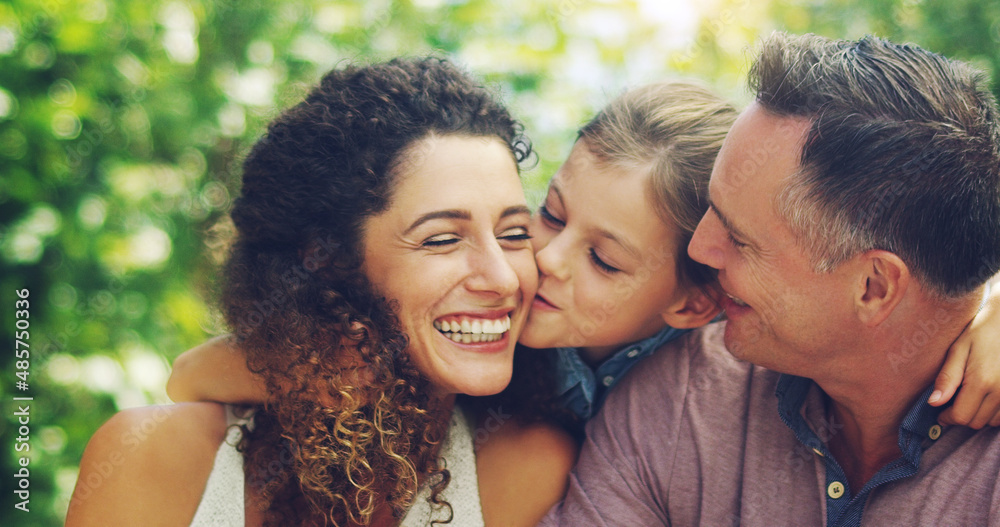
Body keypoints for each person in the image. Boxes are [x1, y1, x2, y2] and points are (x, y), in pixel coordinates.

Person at [65, 57, 577, 527]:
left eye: (514, 234)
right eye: (442, 239)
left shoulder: (526, 469)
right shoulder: (154, 457)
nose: (505, 278)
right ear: (330, 262)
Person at [541, 32, 1000, 526]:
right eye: (711, 209)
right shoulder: (673, 404)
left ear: (874, 287)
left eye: (738, 239)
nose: (699, 250)